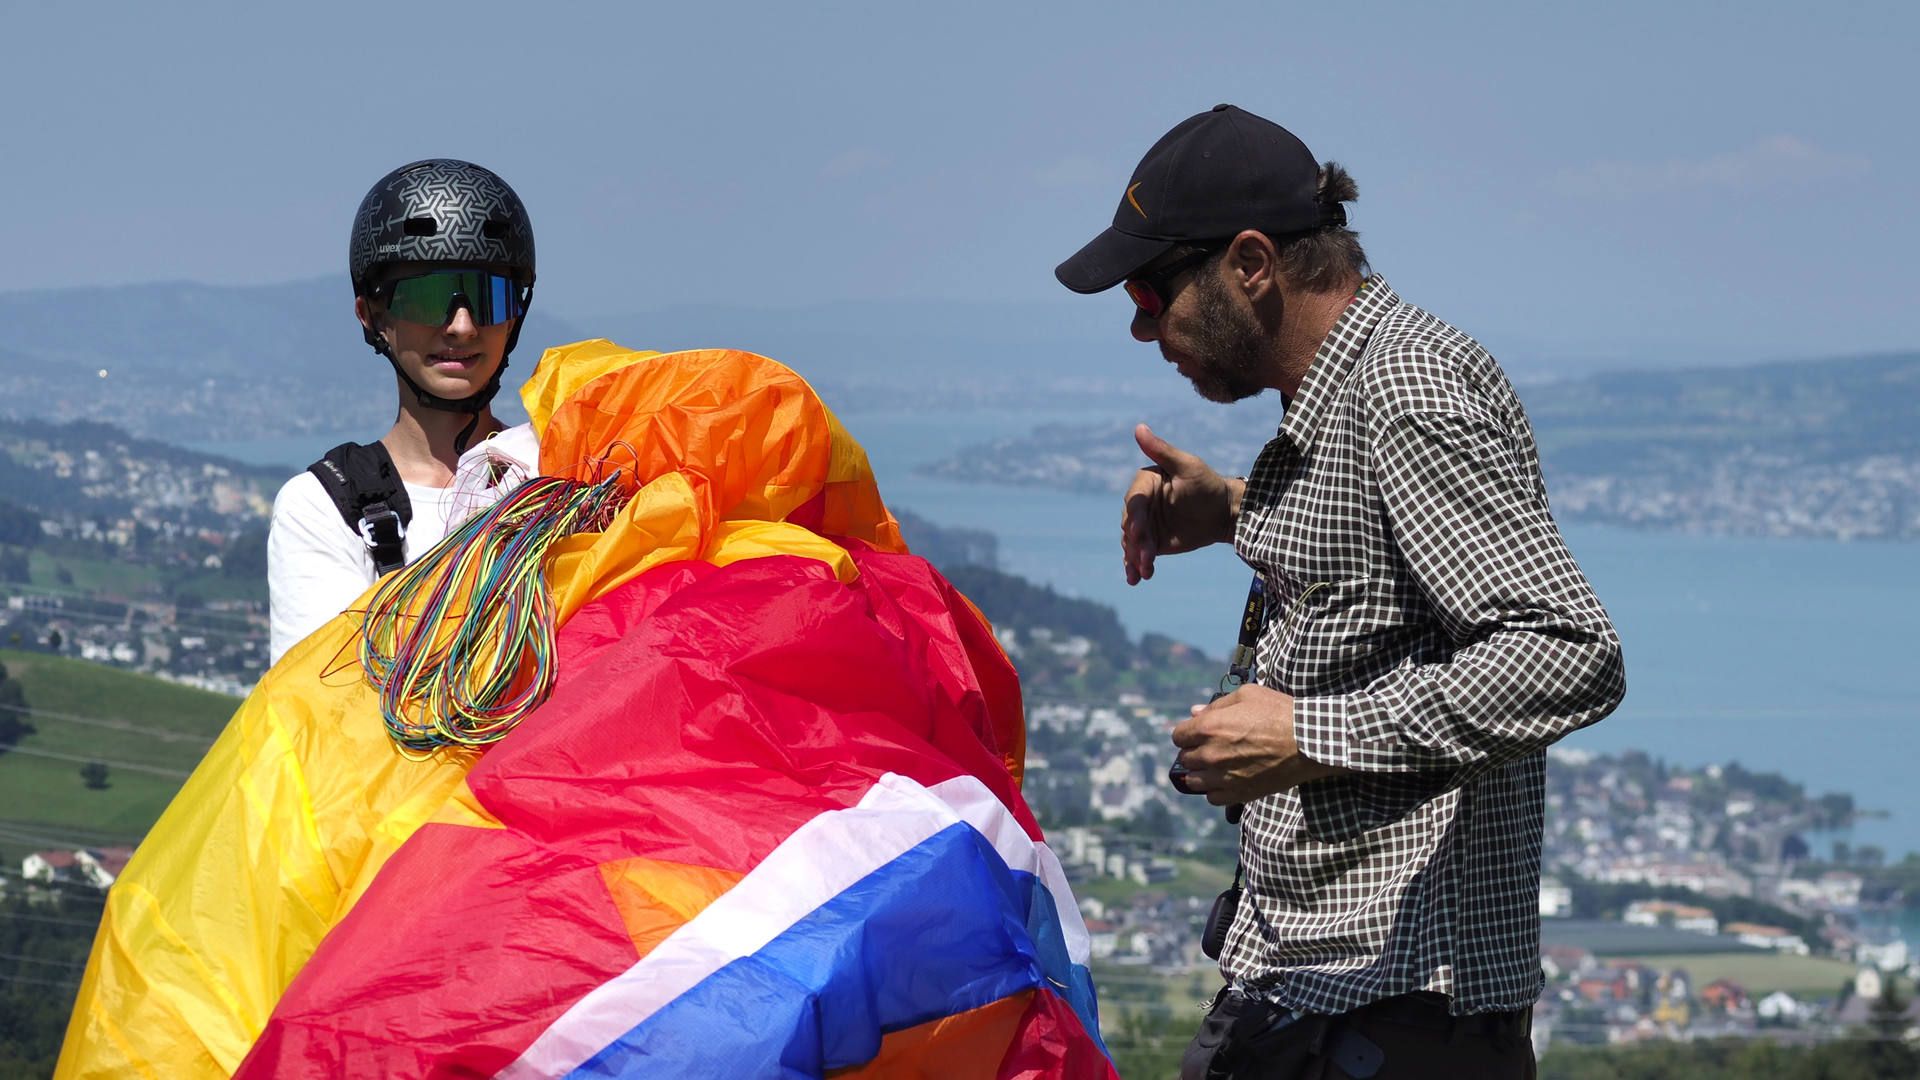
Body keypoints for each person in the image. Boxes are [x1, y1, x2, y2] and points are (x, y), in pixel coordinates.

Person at [1056, 105, 1625, 1078]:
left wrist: (1305, 735)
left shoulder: (1409, 387)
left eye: (1154, 291)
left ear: (1249, 264)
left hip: (1396, 1013)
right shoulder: (1342, 389)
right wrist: (1236, 510)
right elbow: (1393, 571)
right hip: (1318, 995)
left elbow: (1565, 650)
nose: (1142, 325)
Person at [268, 159, 541, 664]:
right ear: (372, 316)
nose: (461, 326)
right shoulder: (327, 507)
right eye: (428, 296)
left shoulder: (567, 470)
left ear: (516, 314)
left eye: (489, 296)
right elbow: (317, 705)